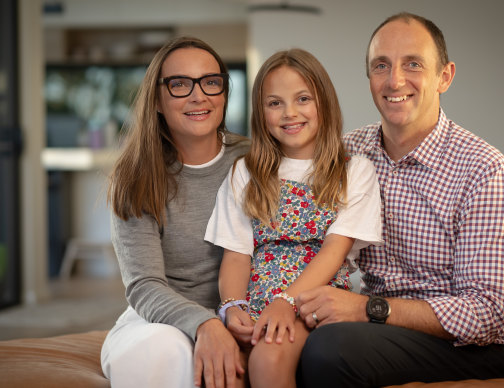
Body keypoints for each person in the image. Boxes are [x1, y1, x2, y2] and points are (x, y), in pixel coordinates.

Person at [296, 12, 504, 387]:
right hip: (372, 334)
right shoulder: (348, 153)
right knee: (278, 339)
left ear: (444, 77)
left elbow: (486, 313)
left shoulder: (483, 169)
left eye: (412, 64)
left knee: (327, 348)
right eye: (381, 65)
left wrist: (369, 309)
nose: (394, 80)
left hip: (465, 350)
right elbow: (280, 178)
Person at [204, 48, 383, 388]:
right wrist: (232, 306)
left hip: (314, 300)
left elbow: (334, 249)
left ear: (324, 104)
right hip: (256, 299)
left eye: (303, 99)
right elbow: (237, 253)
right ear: (261, 112)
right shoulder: (246, 172)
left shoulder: (353, 171)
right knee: (225, 370)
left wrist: (286, 302)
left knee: (269, 358)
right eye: (275, 103)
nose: (289, 113)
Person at [100, 36, 250, 388]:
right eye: (180, 84)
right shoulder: (136, 176)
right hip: (156, 324)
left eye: (211, 82)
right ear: (157, 99)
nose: (199, 96)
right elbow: (144, 285)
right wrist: (205, 324)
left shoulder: (255, 159)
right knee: (166, 350)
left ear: (224, 93)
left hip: (244, 317)